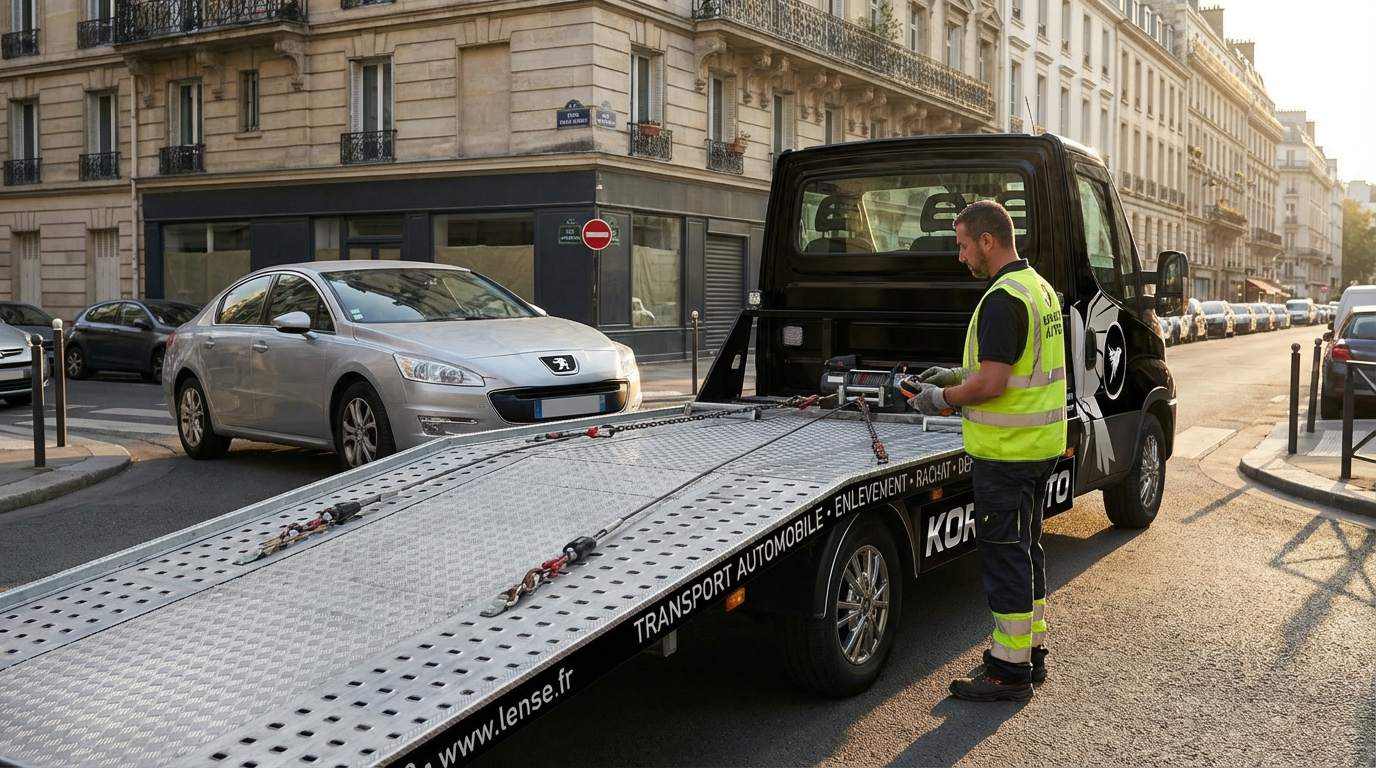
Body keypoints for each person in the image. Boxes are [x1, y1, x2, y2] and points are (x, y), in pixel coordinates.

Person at [908, 199, 1067, 702]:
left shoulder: (1001, 299)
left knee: (1003, 558)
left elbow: (995, 382)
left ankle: (1008, 672)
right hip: (1037, 448)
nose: (960, 256)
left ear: (987, 241)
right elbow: (1013, 365)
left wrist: (943, 399)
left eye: (962, 245)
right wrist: (955, 374)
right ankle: (1030, 652)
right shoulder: (1038, 288)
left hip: (1007, 452)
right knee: (1026, 550)